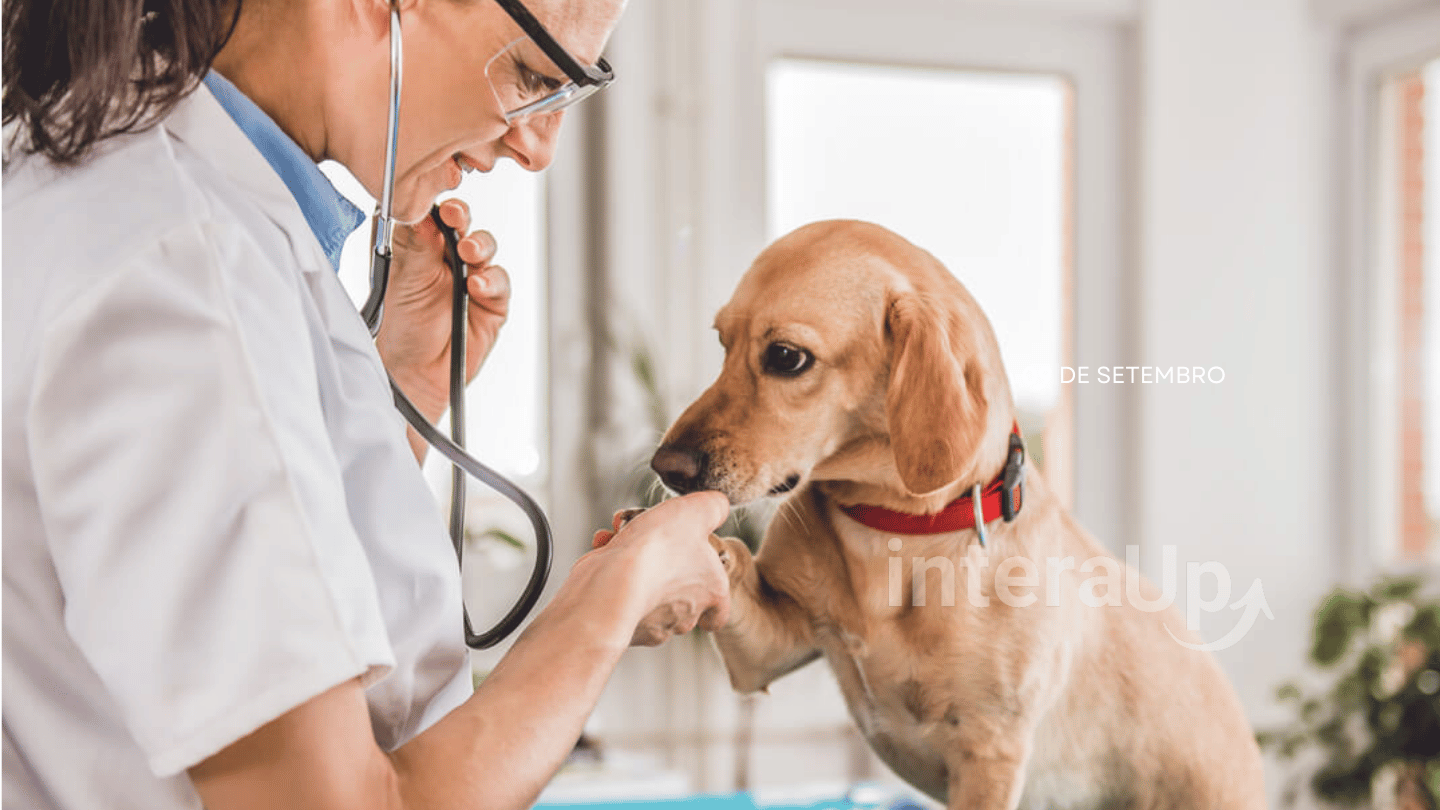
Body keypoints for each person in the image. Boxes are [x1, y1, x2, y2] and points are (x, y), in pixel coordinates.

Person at [1, 1, 731, 808]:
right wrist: (607, 602)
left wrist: (397, 403)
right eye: (531, 74)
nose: (537, 147)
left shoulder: (115, 191)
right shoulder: (181, 274)